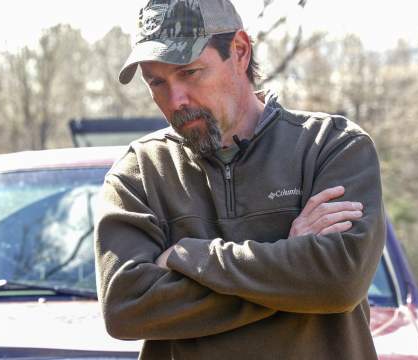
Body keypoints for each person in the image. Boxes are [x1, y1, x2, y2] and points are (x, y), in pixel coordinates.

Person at [93, 0, 386, 358]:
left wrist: (187, 256)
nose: (175, 99)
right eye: (157, 81)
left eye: (189, 72)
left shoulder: (331, 146)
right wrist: (291, 266)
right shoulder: (139, 172)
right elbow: (126, 308)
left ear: (240, 51)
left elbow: (338, 282)